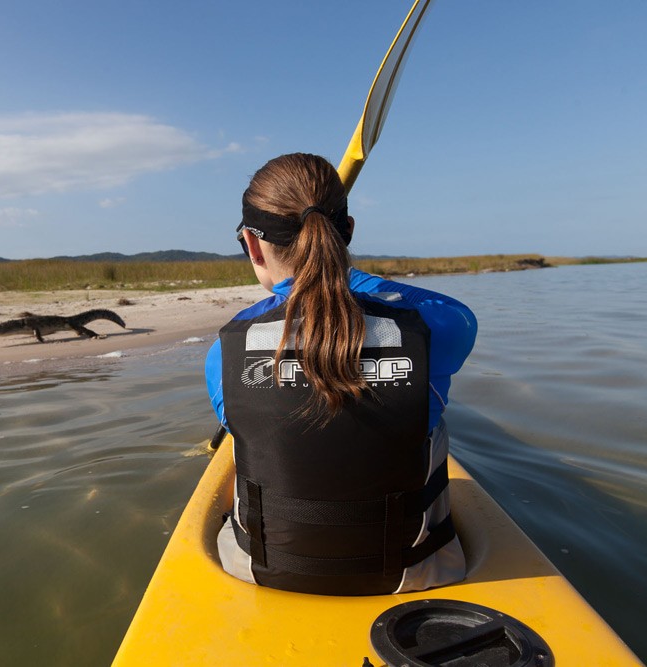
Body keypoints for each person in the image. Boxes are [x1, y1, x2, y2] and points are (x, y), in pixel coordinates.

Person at [204, 153, 477, 596]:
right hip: (414, 576)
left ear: (253, 246)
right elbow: (445, 310)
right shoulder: (442, 328)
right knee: (434, 414)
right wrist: (351, 278)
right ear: (347, 232)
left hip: (261, 572)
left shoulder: (226, 350)